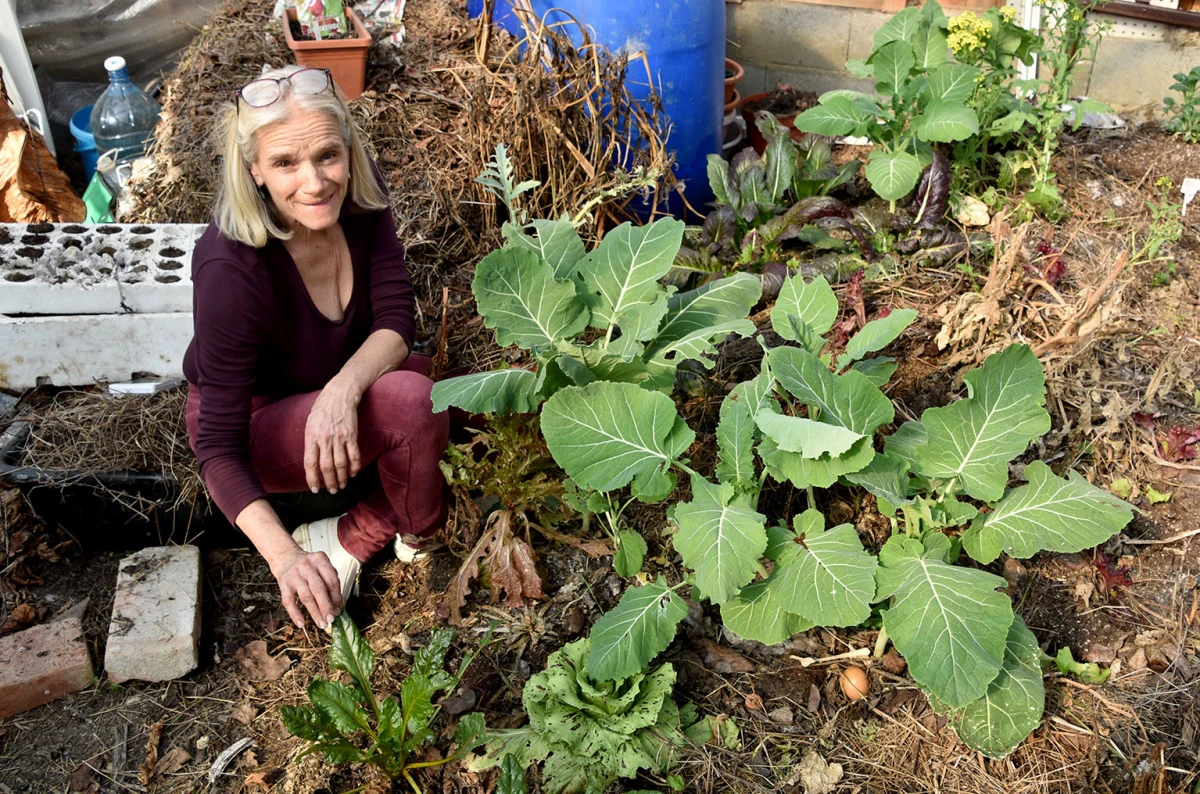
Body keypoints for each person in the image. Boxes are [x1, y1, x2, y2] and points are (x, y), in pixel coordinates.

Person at [183, 65, 448, 631]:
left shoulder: (355, 193)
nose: (315, 182)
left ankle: (352, 534)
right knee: (413, 403)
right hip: (258, 426)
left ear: (348, 149)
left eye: (328, 155)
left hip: (329, 380)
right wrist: (285, 558)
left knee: (460, 391)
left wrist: (341, 392)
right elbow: (218, 449)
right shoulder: (231, 267)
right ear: (253, 169)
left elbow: (397, 316)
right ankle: (422, 540)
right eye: (284, 163)